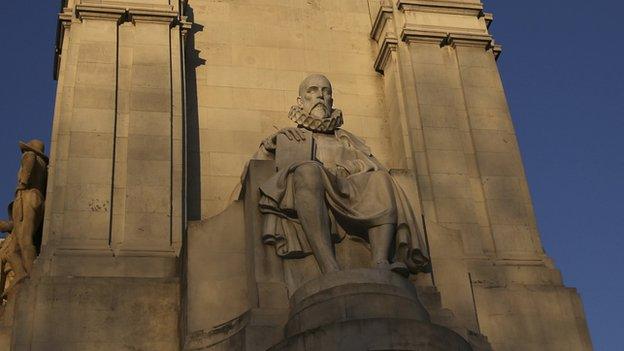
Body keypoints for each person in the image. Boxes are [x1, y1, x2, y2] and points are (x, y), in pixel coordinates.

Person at [253, 75, 430, 277]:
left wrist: (354, 166)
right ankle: (329, 267)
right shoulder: (291, 136)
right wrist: (270, 145)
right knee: (308, 171)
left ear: (331, 101)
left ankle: (381, 260)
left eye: (326, 91)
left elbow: (372, 166)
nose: (320, 95)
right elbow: (255, 174)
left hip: (349, 186)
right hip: (313, 184)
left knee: (381, 179)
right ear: (300, 102)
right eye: (312, 91)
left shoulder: (346, 138)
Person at [11, 140, 48, 276]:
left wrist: (22, 184)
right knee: (15, 248)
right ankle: (22, 274)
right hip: (38, 198)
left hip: (26, 196)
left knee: (25, 240)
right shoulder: (44, 165)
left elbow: (28, 164)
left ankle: (32, 276)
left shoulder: (29, 155)